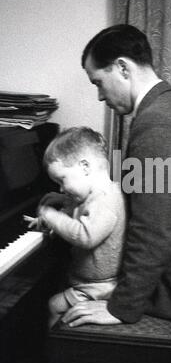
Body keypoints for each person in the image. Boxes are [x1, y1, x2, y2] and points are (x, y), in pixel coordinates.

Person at [60, 24, 171, 327]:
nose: (100, 96)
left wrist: (121, 307)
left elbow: (153, 228)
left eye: (99, 83)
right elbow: (158, 197)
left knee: (63, 300)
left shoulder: (157, 126)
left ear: (122, 67)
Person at [31, 126, 126, 327]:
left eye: (61, 180)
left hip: (101, 287)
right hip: (87, 280)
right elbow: (75, 212)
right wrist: (59, 206)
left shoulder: (106, 200)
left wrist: (50, 215)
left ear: (85, 167)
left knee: (53, 305)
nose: (61, 188)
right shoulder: (92, 194)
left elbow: (85, 235)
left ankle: (57, 351)